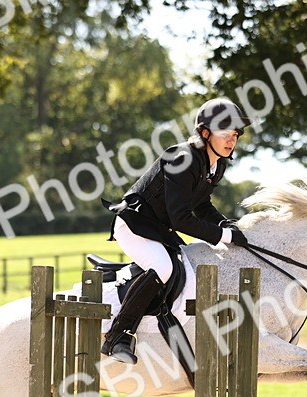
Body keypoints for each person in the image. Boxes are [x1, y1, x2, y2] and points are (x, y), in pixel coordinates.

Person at [100, 98, 253, 364]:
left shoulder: (216, 164)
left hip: (159, 230)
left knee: (182, 267)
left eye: (235, 135)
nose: (232, 140)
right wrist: (224, 236)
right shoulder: (183, 158)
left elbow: (202, 205)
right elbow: (181, 218)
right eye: (225, 133)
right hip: (135, 225)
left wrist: (225, 224)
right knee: (163, 267)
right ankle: (117, 337)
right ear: (205, 133)